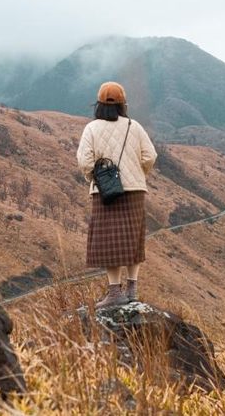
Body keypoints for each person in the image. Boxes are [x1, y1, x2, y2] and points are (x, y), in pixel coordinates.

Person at [76, 81, 158, 308]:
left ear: (99, 105)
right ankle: (132, 289)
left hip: (105, 193)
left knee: (110, 242)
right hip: (135, 192)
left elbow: (85, 161)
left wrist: (95, 178)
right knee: (133, 240)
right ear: (123, 104)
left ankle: (115, 293)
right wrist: (138, 174)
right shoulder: (135, 126)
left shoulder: (92, 128)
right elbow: (150, 156)